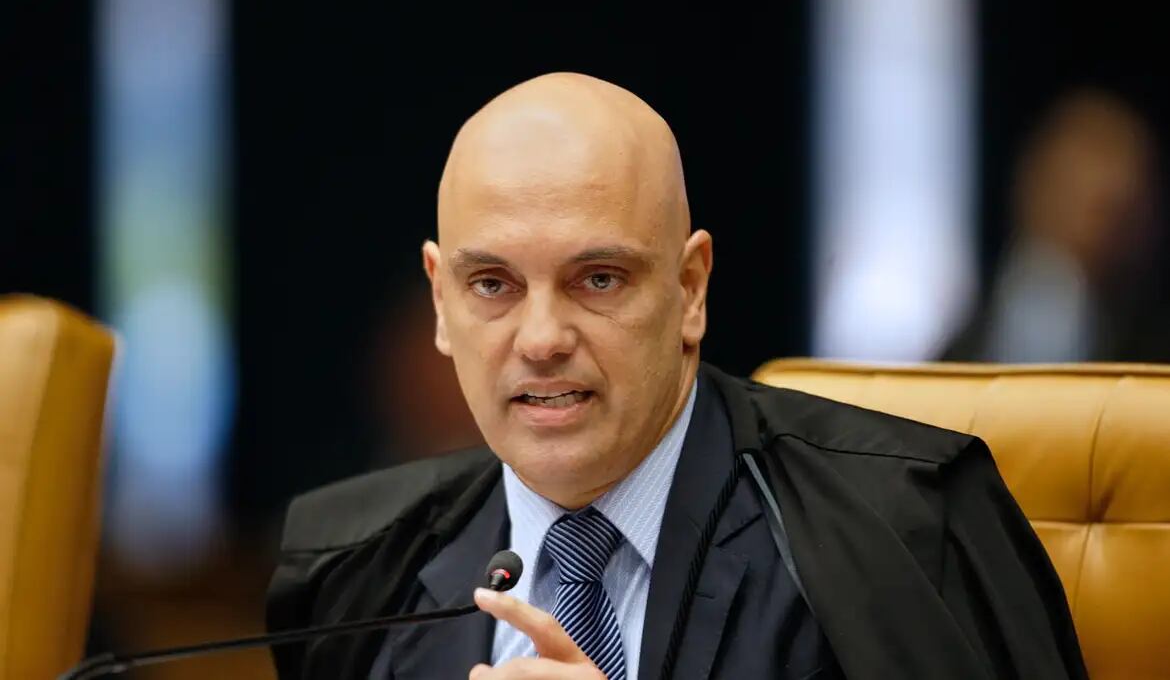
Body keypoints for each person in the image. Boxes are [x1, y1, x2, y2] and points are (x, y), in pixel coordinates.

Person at [267, 73, 1088, 679]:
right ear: (440, 303)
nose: (542, 339)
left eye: (598, 279)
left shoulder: (904, 527)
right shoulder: (354, 569)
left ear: (690, 290)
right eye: (492, 285)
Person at [942, 88, 1168, 363]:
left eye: (1122, 213)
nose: (1106, 231)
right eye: (1094, 206)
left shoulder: (1151, 345)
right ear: (1032, 187)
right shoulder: (965, 334)